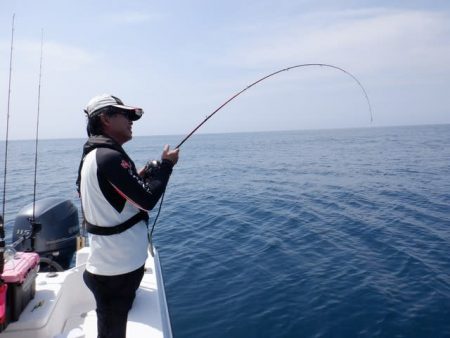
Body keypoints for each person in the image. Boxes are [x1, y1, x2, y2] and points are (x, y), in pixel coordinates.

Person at [76, 94, 179, 338]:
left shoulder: (93, 156)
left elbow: (107, 196)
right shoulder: (110, 157)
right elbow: (147, 200)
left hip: (112, 267)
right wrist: (165, 166)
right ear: (105, 118)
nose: (131, 120)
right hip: (116, 273)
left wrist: (138, 175)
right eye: (126, 115)